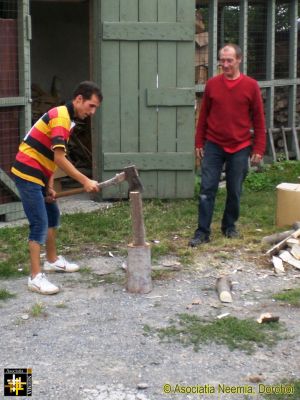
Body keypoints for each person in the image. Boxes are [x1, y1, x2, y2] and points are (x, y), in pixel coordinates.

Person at [11, 81, 102, 294]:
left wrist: (50, 184)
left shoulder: (67, 118)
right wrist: (85, 181)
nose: (93, 112)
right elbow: (61, 158)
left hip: (40, 173)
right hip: (27, 172)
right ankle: (34, 277)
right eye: (91, 106)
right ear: (79, 99)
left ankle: (51, 260)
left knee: (52, 214)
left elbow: (51, 155)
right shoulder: (61, 117)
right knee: (39, 222)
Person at [189, 44, 266, 247]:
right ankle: (202, 232)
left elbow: (258, 119)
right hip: (214, 144)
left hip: (240, 145)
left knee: (234, 190)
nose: (225, 64)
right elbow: (203, 116)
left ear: (239, 60)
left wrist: (258, 147)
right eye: (222, 60)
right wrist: (199, 141)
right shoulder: (213, 84)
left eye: (229, 60)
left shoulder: (251, 86)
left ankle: (229, 226)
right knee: (207, 189)